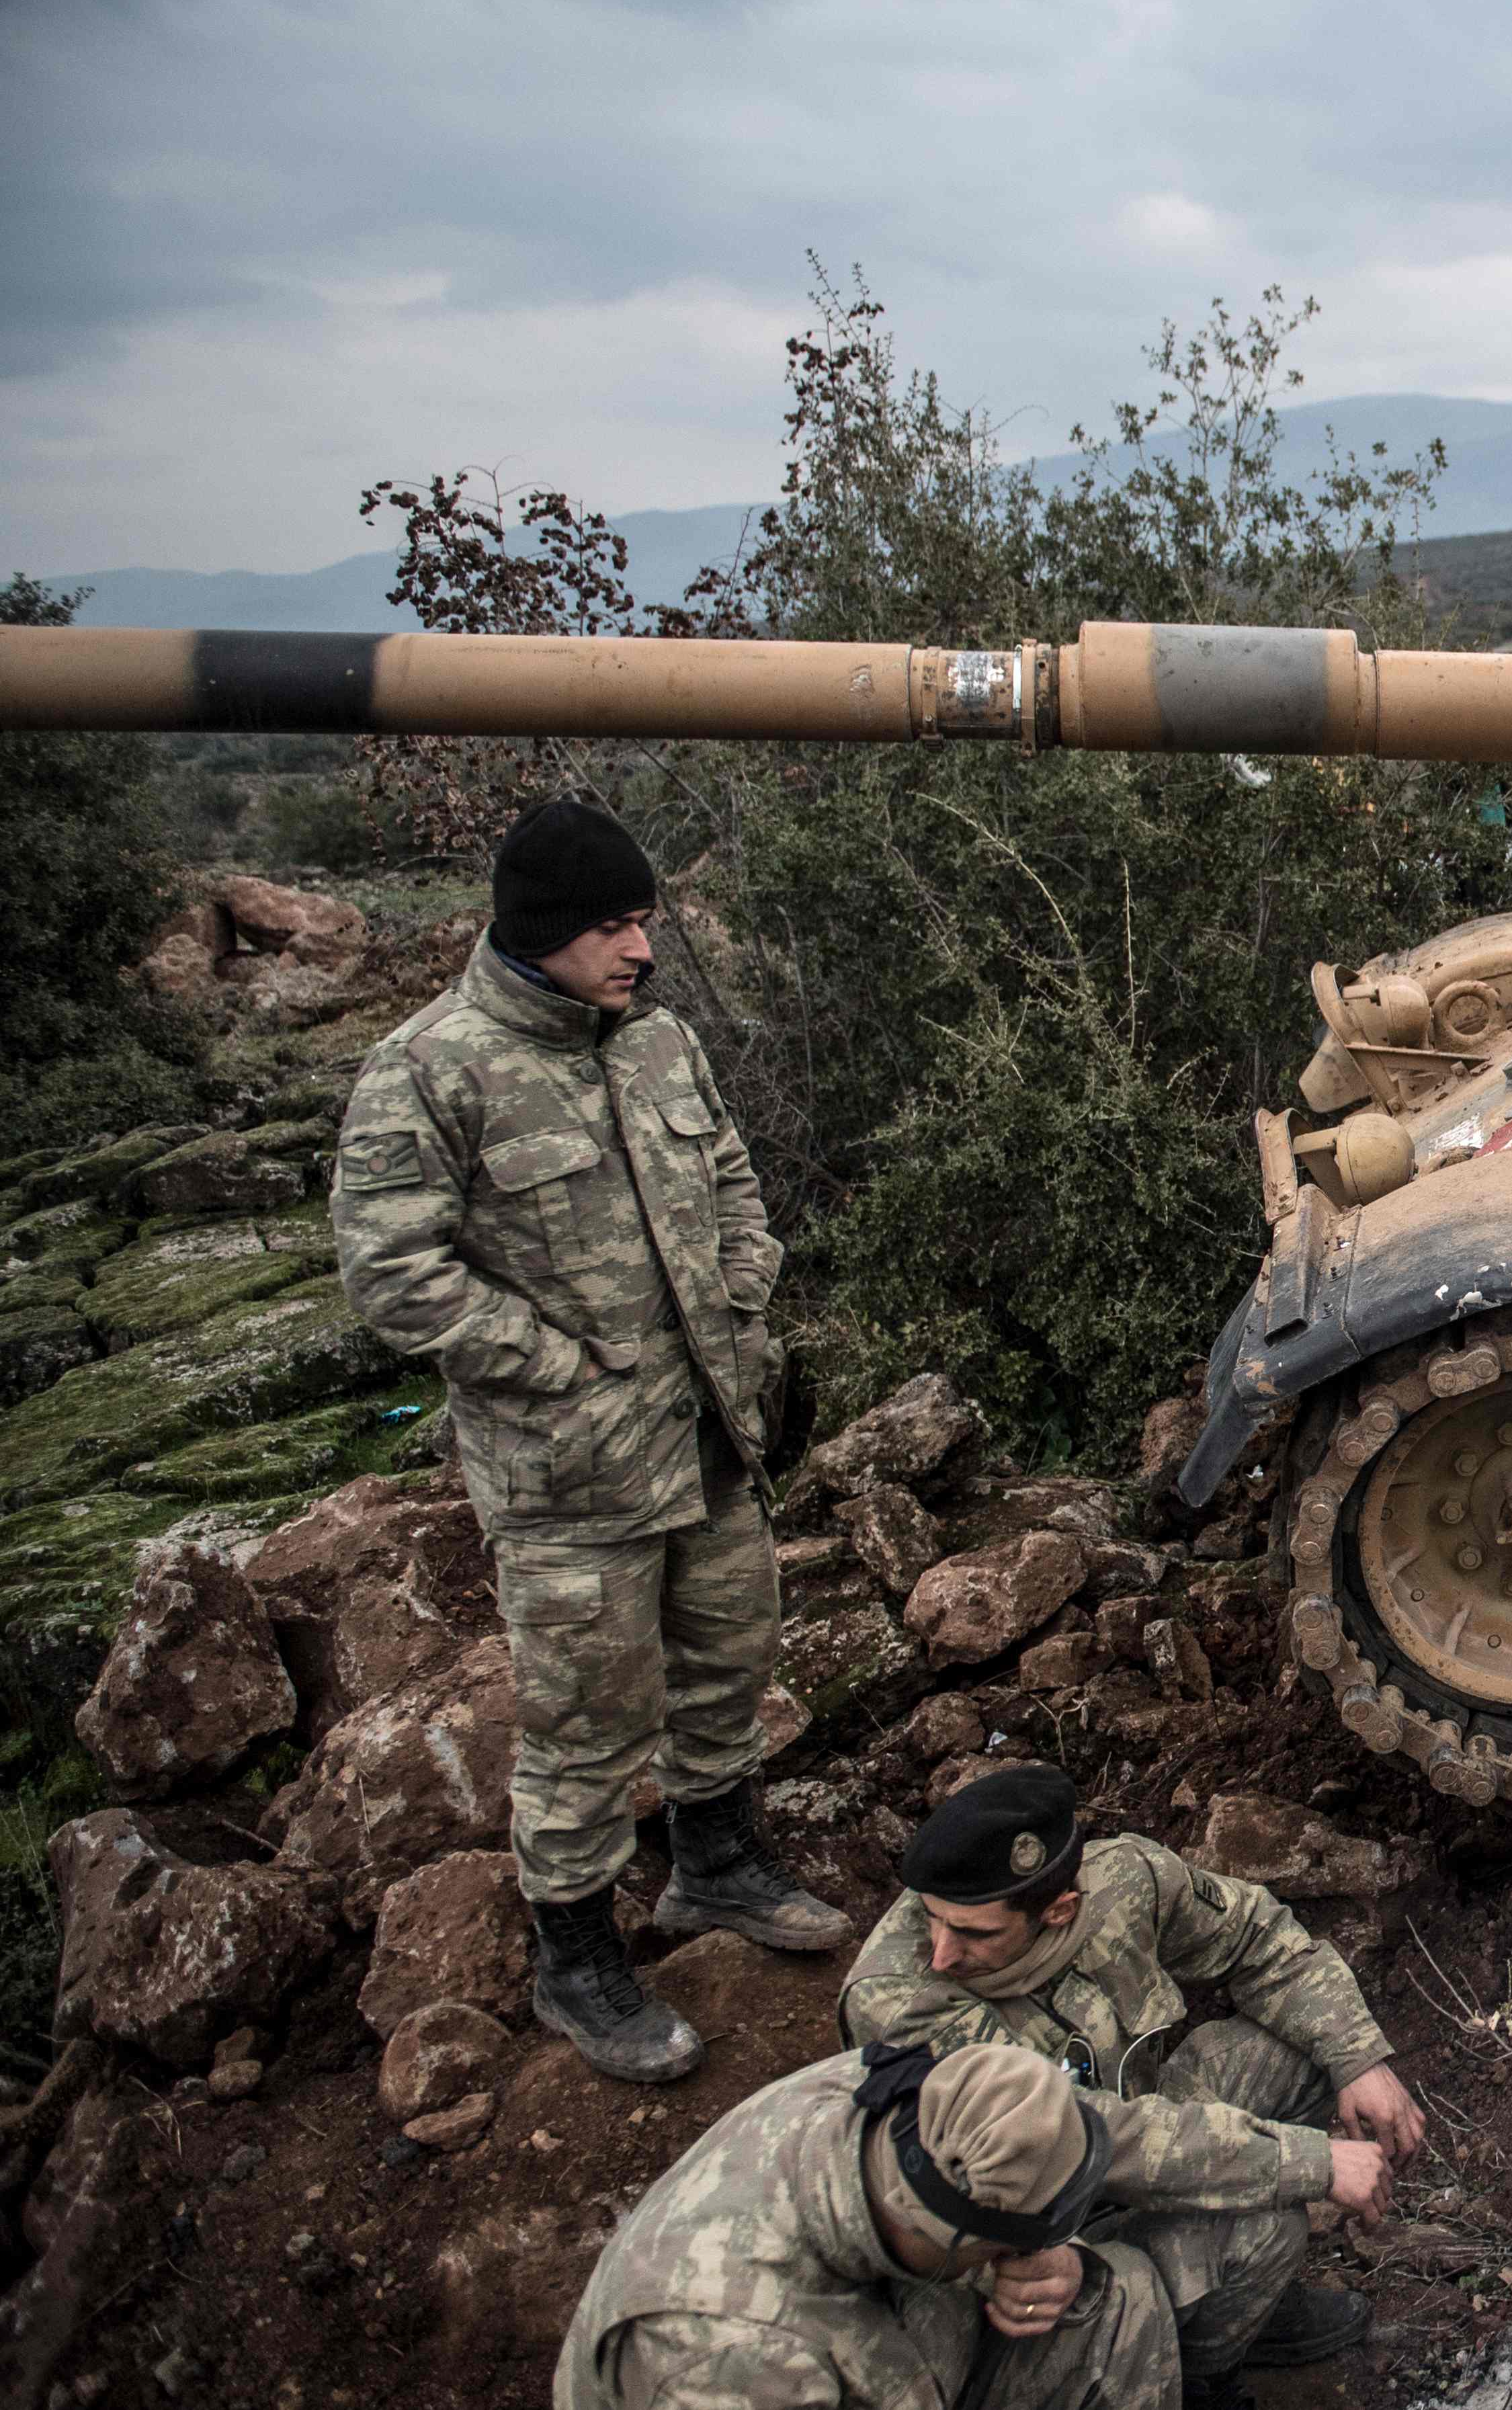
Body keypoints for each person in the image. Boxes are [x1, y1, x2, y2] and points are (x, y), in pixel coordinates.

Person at [335, 799, 843, 2085]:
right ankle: (576, 1963)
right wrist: (552, 1365)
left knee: (730, 1657)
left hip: (708, 1435)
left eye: (645, 920)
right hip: (569, 1479)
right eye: (616, 926)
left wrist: (745, 1282)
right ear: (542, 931)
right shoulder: (429, 1070)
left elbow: (730, 1175)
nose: (642, 950)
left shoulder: (659, 1042)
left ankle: (715, 1868)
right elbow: (393, 1275)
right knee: (585, 1722)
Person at [840, 1766, 1419, 2403]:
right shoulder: (900, 2000)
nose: (942, 1951)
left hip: (1136, 2123)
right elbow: (1086, 2137)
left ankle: (1245, 2308)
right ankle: (1196, 2374)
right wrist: (1307, 2161)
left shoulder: (1125, 1877)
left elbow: (1259, 1938)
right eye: (931, 1918)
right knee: (1267, 2228)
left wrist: (1358, 2058)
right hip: (1033, 2226)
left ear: (1061, 1908)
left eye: (973, 1933)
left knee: (1307, 2050)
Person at [554, 2038, 1175, 2410]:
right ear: (959, 2243)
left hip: (908, 2347)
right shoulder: (730, 2356)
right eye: (1022, 2241)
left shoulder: (898, 2096)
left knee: (1119, 2294)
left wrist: (1048, 2265)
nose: (1031, 2251)